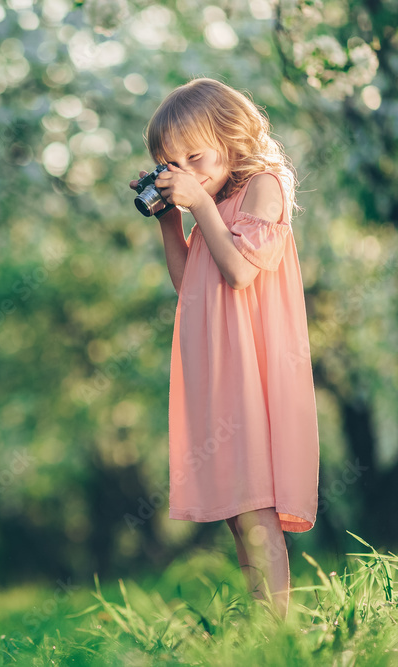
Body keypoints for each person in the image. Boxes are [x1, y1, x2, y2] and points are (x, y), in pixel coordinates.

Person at [128, 77, 320, 622]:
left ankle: (277, 634)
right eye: (173, 164)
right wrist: (172, 220)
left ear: (233, 137)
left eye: (196, 156)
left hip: (253, 369)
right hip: (217, 367)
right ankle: (263, 625)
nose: (186, 171)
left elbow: (237, 272)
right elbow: (189, 280)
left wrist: (199, 208)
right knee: (239, 510)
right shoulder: (211, 204)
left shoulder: (263, 185)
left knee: (258, 505)